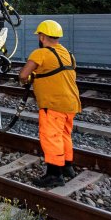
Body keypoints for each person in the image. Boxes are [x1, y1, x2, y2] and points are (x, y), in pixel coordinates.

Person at [19, 19, 81, 187]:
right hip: (71, 103)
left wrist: (26, 79)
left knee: (51, 138)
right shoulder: (68, 53)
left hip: (53, 104)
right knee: (64, 135)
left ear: (42, 36)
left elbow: (24, 75)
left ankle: (54, 175)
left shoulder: (40, 54)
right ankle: (67, 167)